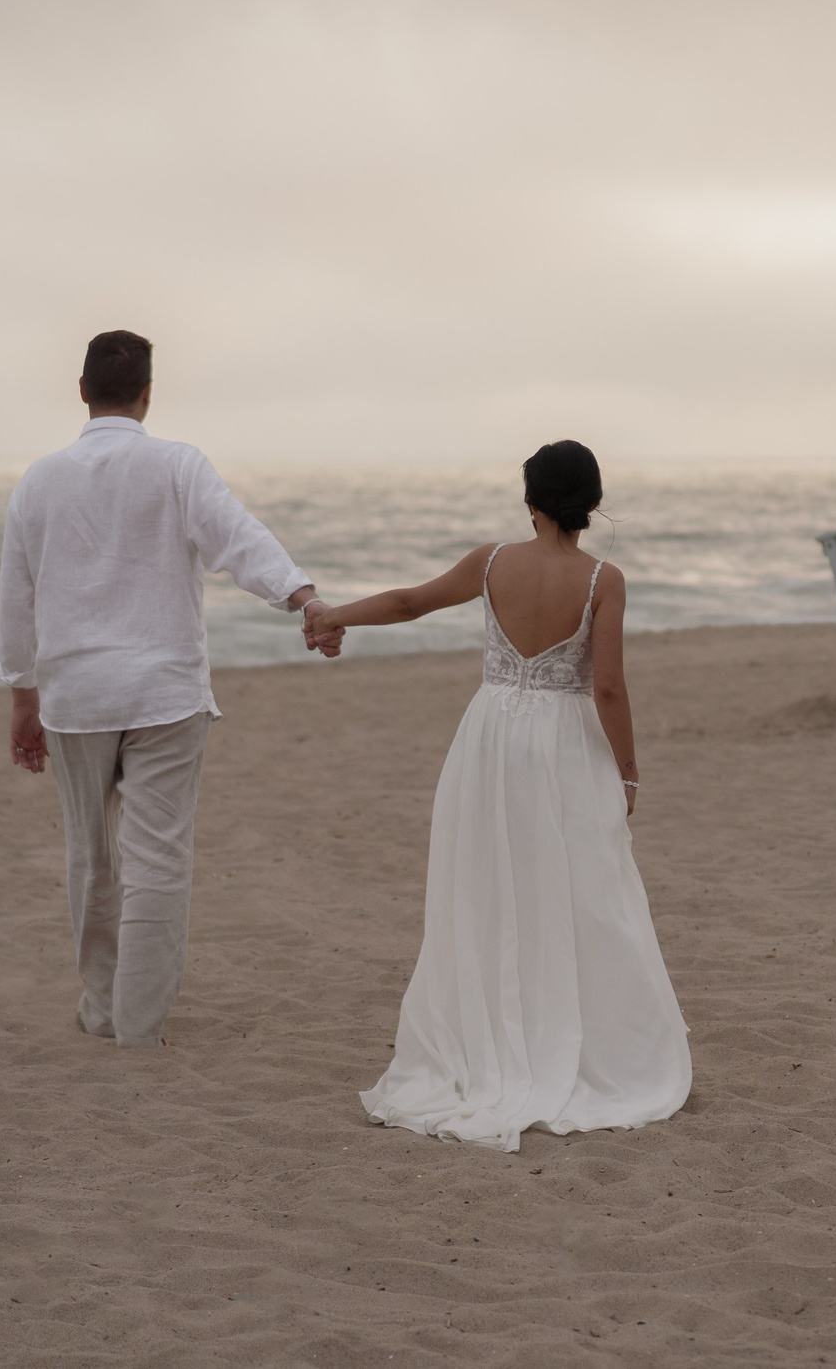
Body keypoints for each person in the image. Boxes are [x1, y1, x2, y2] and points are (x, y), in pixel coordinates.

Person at [309, 440, 689, 1151]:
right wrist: (628, 769)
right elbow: (607, 685)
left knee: (488, 886)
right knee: (581, 888)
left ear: (531, 497)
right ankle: (569, 1038)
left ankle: (490, 1039)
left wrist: (334, 615)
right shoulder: (605, 578)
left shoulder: (492, 561)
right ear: (593, 501)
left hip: (489, 740)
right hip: (567, 743)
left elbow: (408, 601)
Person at [0, 330, 336, 1048]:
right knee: (157, 857)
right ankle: (139, 1024)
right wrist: (302, 597)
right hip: (165, 691)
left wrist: (23, 699)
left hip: (76, 696)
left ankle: (101, 1007)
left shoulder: (38, 480)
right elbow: (239, 538)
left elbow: (16, 600)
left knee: (90, 856)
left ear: (82, 390)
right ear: (148, 394)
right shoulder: (177, 465)